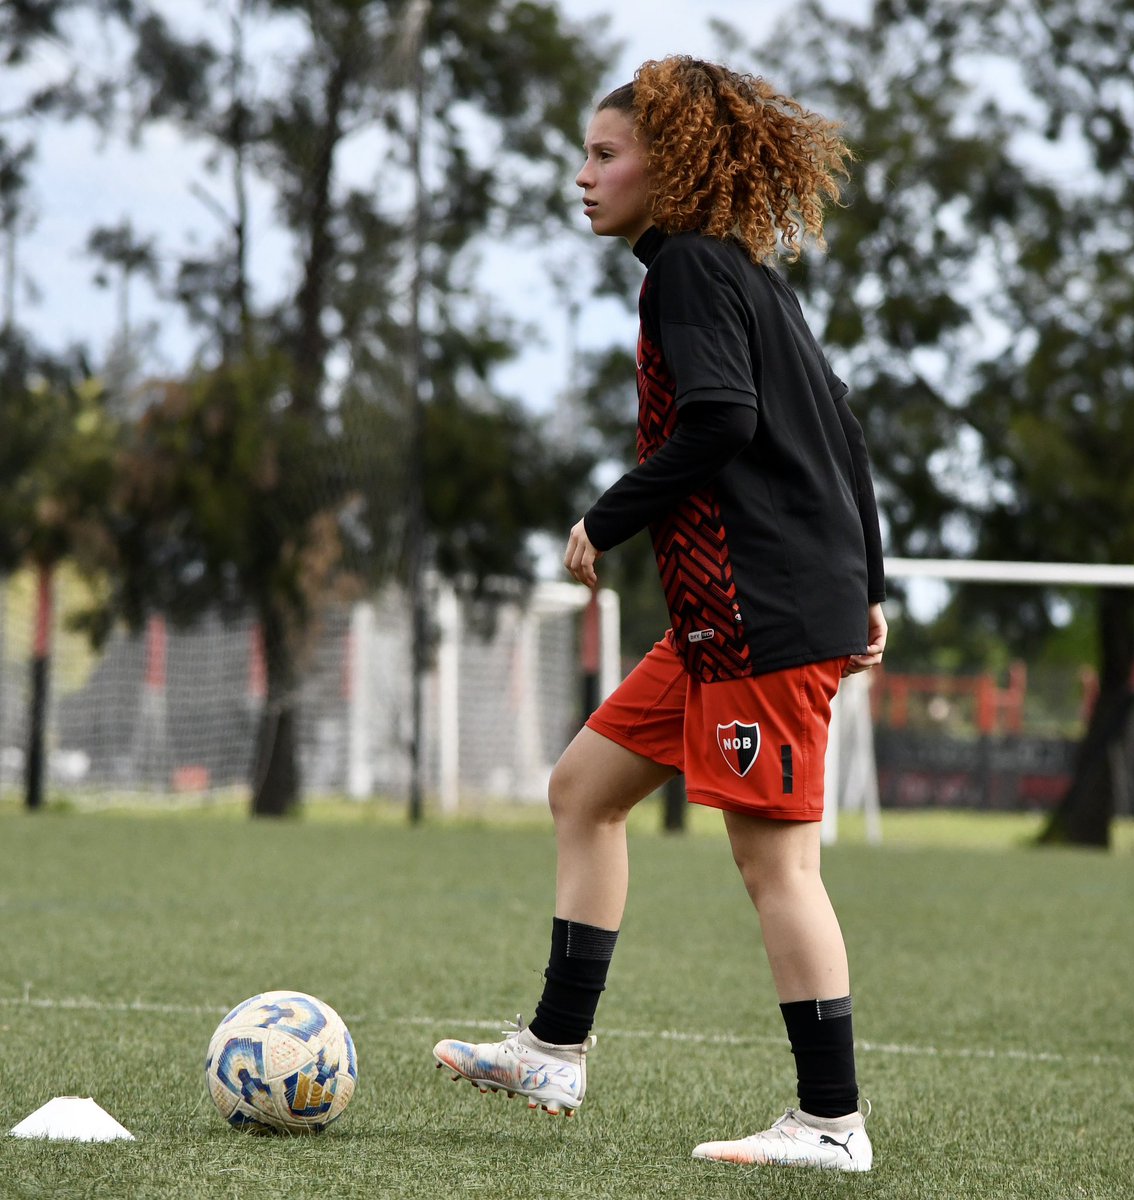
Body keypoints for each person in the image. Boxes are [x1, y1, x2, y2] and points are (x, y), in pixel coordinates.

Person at [433, 55, 887, 1173]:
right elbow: (846, 432)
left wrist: (610, 512)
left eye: (605, 154)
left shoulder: (686, 270)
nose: (582, 176)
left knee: (778, 869)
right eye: (584, 153)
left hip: (758, 617)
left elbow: (724, 420)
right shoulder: (741, 274)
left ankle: (832, 1124)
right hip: (718, 623)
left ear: (667, 165)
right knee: (583, 791)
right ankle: (553, 1047)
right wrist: (872, 586)